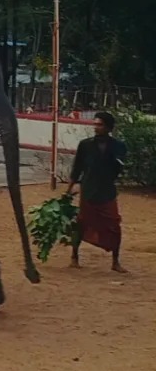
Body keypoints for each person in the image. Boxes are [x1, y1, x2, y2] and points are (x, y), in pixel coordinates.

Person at [68, 111, 127, 273]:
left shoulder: (118, 146)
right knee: (81, 223)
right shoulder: (85, 145)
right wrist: (68, 190)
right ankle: (74, 256)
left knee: (114, 226)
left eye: (99, 124)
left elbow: (118, 168)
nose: (96, 127)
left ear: (108, 127)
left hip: (107, 191)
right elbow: (77, 169)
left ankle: (115, 261)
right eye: (95, 124)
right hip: (89, 190)